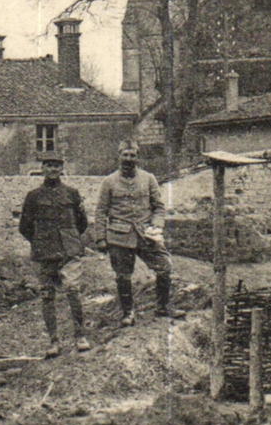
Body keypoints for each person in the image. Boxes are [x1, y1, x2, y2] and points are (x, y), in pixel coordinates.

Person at [93, 140, 184, 325]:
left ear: (137, 157)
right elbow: (101, 211)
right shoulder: (109, 181)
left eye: (132, 155)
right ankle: (128, 313)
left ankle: (163, 307)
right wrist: (101, 238)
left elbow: (159, 207)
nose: (128, 159)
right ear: (119, 156)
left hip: (146, 235)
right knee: (123, 276)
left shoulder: (149, 178)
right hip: (119, 236)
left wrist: (156, 227)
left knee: (164, 267)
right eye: (125, 155)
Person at [18, 154, 91, 356]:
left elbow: (81, 223)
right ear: (42, 168)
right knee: (47, 295)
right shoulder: (33, 197)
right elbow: (24, 226)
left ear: (62, 169)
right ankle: (53, 341)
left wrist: (70, 238)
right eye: (48, 166)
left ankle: (80, 335)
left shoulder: (72, 194)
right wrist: (40, 240)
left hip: (69, 250)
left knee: (73, 289)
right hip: (45, 252)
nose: (52, 170)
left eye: (56, 166)